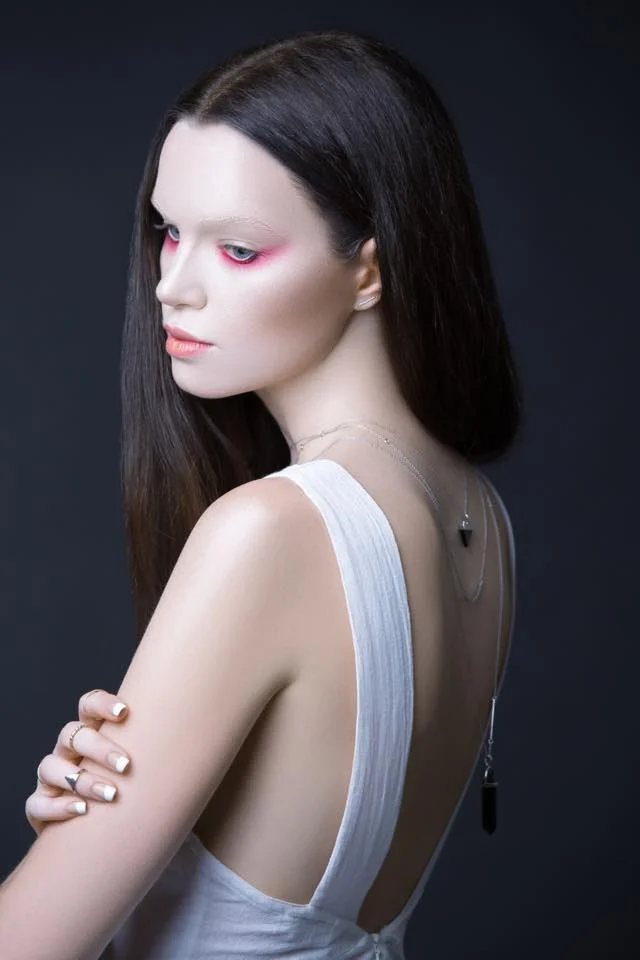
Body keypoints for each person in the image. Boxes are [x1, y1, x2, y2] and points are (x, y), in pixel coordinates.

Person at [2, 27, 522, 959]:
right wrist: (104, 843)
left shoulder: (270, 530)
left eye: (238, 250)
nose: (172, 286)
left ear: (370, 267)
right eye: (168, 232)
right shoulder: (482, 520)